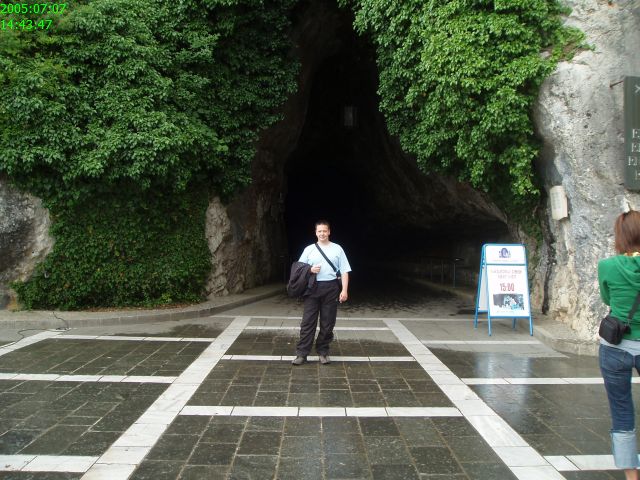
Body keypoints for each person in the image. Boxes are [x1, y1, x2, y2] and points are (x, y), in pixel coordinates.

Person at [599, 210, 640, 480]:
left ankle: (631, 476)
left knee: (622, 411)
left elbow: (607, 298)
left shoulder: (608, 266)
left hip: (616, 347)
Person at [292, 220, 351, 365]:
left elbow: (344, 271)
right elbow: (299, 268)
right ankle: (302, 354)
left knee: (328, 322)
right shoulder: (309, 249)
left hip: (331, 288)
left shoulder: (338, 249)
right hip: (312, 288)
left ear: (329, 232)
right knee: (307, 322)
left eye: (324, 231)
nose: (322, 233)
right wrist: (310, 269)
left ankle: (323, 352)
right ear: (315, 232)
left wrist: (344, 290)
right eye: (319, 231)